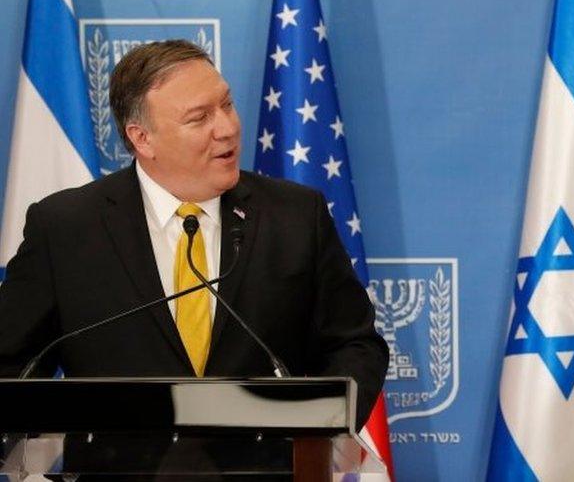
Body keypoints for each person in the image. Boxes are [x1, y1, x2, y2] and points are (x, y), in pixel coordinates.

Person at [0, 39, 388, 429]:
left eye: (226, 104)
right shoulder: (66, 228)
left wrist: (318, 427)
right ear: (142, 138)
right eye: (199, 118)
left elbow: (354, 346)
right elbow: (11, 363)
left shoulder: (296, 216)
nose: (228, 128)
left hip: (265, 465)